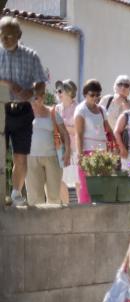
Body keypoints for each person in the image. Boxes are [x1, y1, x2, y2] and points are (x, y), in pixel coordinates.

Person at [0, 16, 47, 206]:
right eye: (2, 35)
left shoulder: (31, 55)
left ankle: (16, 193)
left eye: (10, 36)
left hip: (23, 111)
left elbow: (41, 83)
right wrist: (9, 83)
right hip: (1, 110)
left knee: (20, 157)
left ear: (19, 35)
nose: (5, 39)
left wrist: (34, 89)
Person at [25, 93, 70, 205]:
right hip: (31, 158)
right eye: (32, 97)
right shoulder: (24, 113)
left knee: (54, 196)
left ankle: (53, 222)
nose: (35, 100)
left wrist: (68, 151)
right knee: (34, 197)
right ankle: (37, 222)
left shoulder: (52, 113)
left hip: (53, 157)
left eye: (37, 97)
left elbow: (64, 133)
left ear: (43, 97)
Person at [74, 79, 113, 204]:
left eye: (98, 95)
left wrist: (115, 145)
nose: (95, 97)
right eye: (92, 95)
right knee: (86, 187)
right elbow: (78, 134)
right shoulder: (81, 110)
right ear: (85, 94)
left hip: (102, 153)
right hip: (87, 152)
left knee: (102, 186)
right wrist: (80, 156)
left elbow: (108, 129)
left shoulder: (101, 109)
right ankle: (84, 215)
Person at [54, 80, 79, 204]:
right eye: (57, 91)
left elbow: (79, 130)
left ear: (69, 92)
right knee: (61, 180)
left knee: (78, 181)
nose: (57, 93)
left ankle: (81, 209)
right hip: (59, 150)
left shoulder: (78, 108)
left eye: (60, 91)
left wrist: (62, 128)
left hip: (75, 150)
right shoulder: (56, 108)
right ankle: (66, 207)